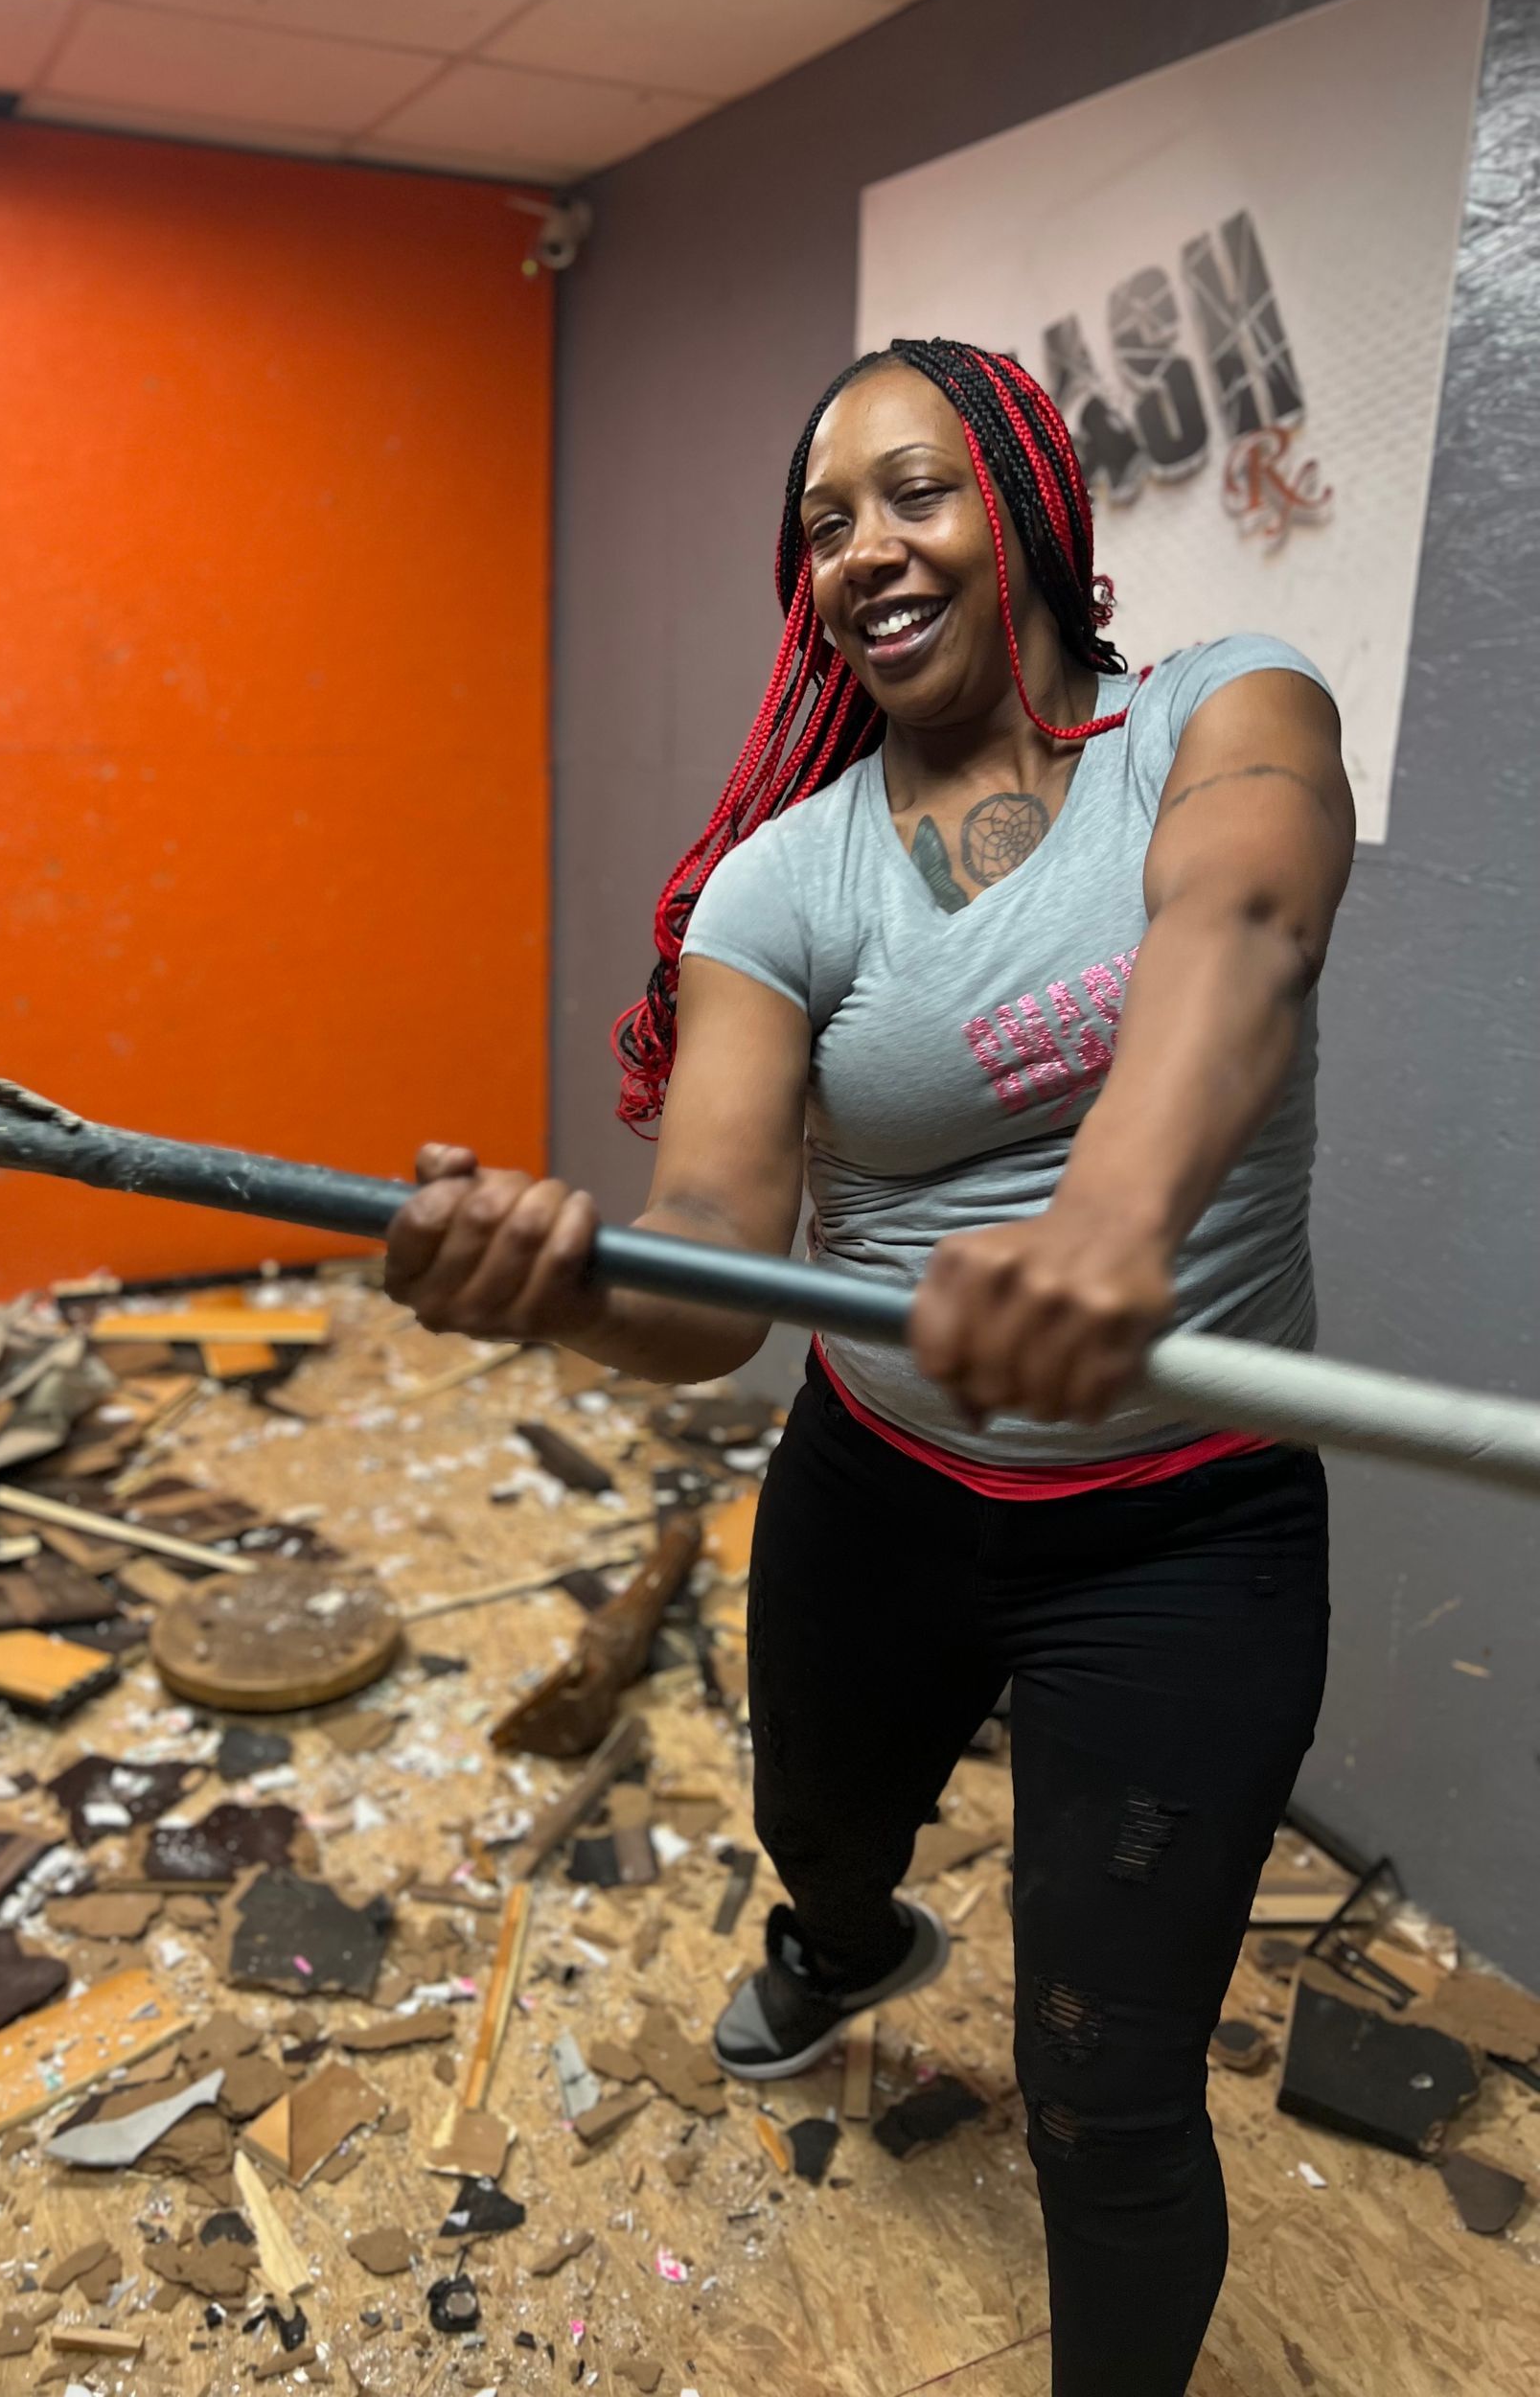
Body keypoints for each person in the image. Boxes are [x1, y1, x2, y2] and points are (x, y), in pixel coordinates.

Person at [383, 336, 1354, 2397]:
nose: (864, 550)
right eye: (824, 522)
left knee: (1106, 2092)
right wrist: (556, 1284)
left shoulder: (1225, 709)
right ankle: (840, 1942)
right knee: (819, 1824)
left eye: (914, 492)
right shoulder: (781, 876)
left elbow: (1243, 927)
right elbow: (719, 1275)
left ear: (1029, 504)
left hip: (1189, 1533)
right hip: (885, 1491)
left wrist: (1112, 1224)